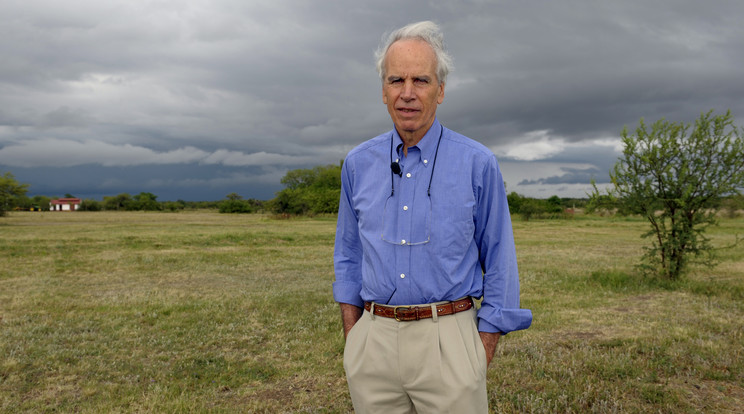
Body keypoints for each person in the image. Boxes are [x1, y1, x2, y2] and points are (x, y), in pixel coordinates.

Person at [333, 21, 532, 413]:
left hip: (450, 342)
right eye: (396, 80)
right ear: (383, 91)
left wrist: (480, 349)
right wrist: (355, 339)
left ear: (440, 91)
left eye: (420, 80)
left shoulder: (478, 164)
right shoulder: (358, 164)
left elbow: (500, 261)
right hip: (374, 344)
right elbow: (348, 255)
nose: (407, 93)